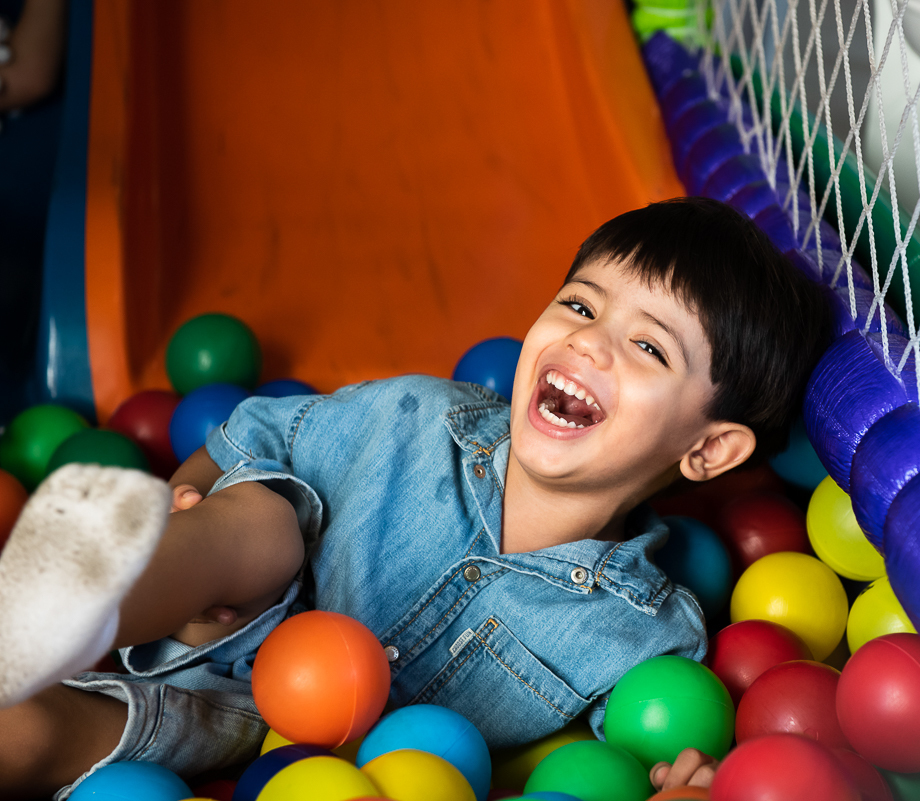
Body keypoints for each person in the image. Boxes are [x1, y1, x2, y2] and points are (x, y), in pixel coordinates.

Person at [0, 197, 830, 799]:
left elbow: (628, 755)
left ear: (708, 448)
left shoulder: (644, 633)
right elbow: (260, 432)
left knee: (28, 734)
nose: (588, 340)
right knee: (266, 521)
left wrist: (676, 782)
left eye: (648, 346)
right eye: (580, 303)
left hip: (276, 740)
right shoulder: (419, 416)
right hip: (218, 609)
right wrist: (183, 498)